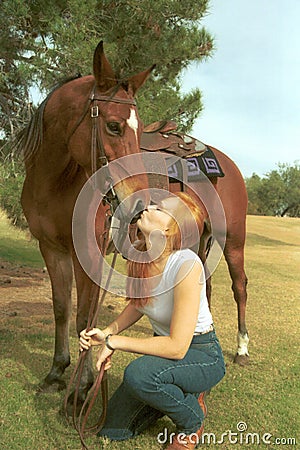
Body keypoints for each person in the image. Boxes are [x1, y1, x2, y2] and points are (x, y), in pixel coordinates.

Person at [79, 192, 225, 449]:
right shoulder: (144, 260)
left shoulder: (187, 266)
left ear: (170, 229)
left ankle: (192, 420)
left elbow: (177, 347)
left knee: (138, 375)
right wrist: (106, 331)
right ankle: (177, 390)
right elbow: (140, 305)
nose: (149, 206)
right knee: (113, 430)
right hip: (166, 353)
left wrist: (114, 342)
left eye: (160, 208)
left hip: (200, 353)